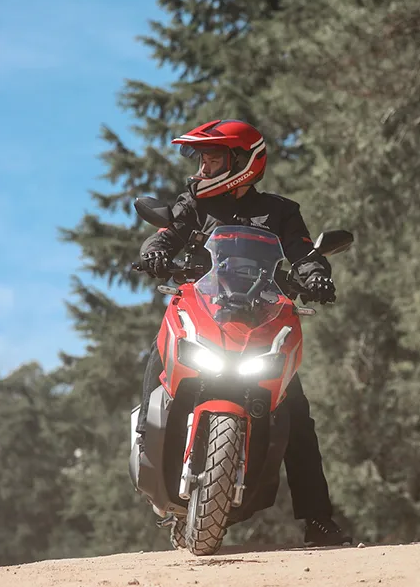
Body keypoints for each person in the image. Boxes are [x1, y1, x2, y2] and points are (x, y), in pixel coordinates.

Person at [135, 119, 351, 547]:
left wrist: (315, 276)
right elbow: (164, 235)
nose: (204, 165)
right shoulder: (193, 204)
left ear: (242, 161)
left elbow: (304, 253)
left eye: (213, 157)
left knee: (297, 414)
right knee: (157, 360)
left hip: (260, 321)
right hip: (201, 311)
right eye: (202, 157)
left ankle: (318, 519)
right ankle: (146, 437)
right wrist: (156, 253)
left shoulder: (281, 211)